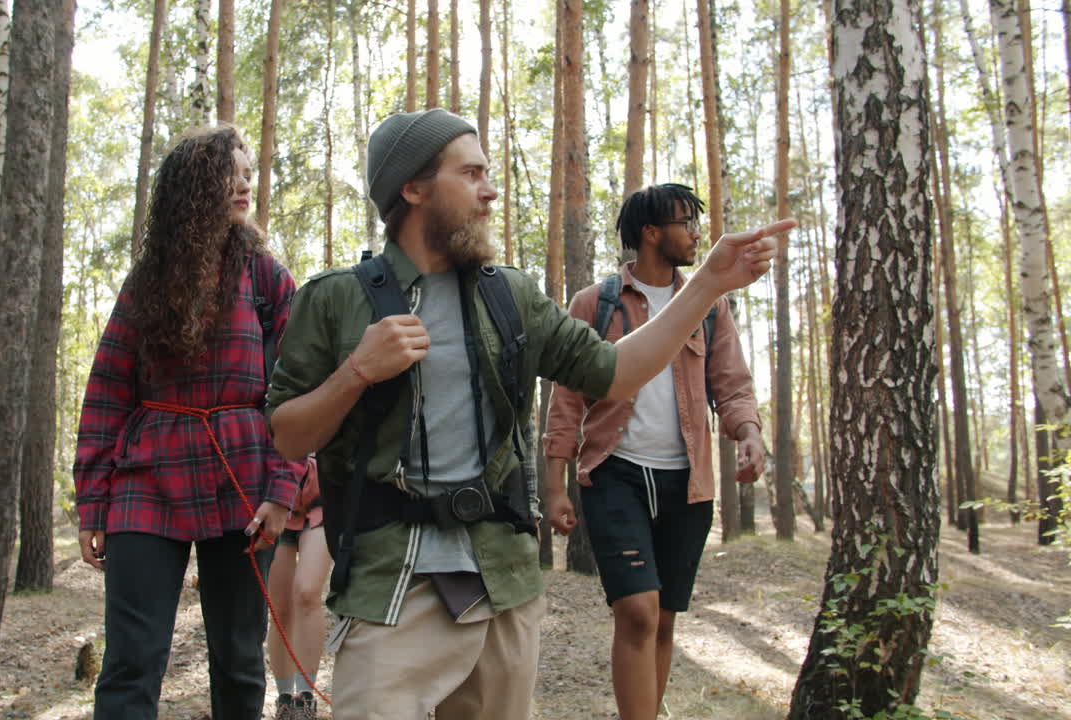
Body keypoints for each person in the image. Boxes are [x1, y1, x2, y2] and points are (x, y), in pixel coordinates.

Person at [263, 108, 792, 720]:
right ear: (413, 189)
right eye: (472, 173)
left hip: (503, 583)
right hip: (391, 584)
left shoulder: (509, 294)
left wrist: (704, 285)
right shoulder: (334, 299)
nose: (491, 189)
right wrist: (357, 370)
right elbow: (286, 437)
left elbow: (614, 372)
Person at [73, 124, 302, 720]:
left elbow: (296, 393)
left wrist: (282, 491)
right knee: (131, 663)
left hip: (244, 481)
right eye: (234, 171)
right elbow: (106, 393)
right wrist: (92, 504)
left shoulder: (266, 278)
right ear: (196, 184)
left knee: (238, 659)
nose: (247, 183)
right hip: (148, 481)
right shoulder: (148, 280)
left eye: (251, 173)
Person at [544, 183, 767, 720]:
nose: (695, 233)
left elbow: (731, 384)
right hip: (613, 473)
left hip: (686, 481)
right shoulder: (594, 304)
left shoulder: (710, 306)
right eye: (685, 222)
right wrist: (554, 485)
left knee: (664, 617)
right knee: (639, 613)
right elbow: (566, 400)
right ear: (650, 232)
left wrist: (750, 432)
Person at [266, 455, 331, 720]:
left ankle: (305, 700)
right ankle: (284, 701)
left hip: (321, 502)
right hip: (274, 501)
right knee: (279, 608)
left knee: (307, 593)